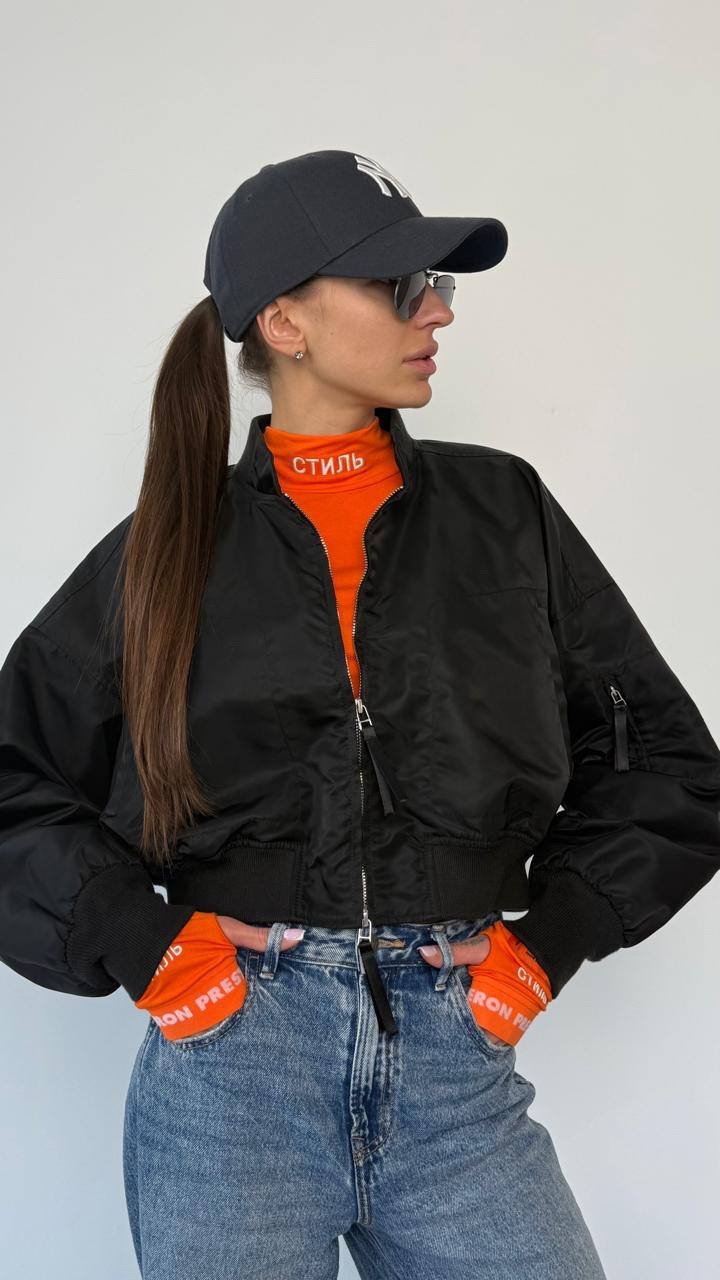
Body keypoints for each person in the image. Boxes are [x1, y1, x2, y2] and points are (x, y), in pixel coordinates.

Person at [1, 149, 719, 1280]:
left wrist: (551, 941)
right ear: (284, 322)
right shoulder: (164, 551)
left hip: (456, 1072)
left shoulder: (505, 511)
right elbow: (14, 776)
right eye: (399, 286)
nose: (437, 310)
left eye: (437, 284)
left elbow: (668, 761)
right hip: (232, 1080)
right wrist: (141, 942)